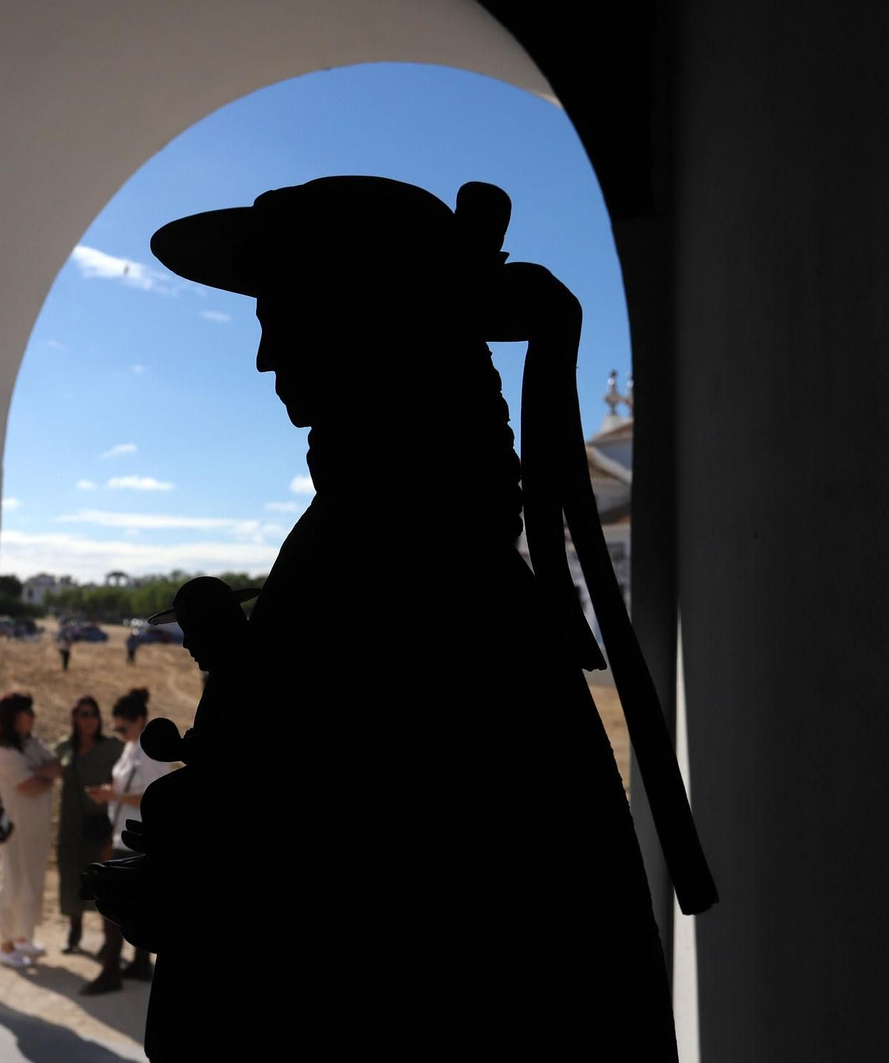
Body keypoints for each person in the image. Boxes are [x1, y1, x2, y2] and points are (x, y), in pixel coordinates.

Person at [86, 176, 685, 1060]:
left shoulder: (399, 562)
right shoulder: (400, 545)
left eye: (285, 308)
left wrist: (215, 868)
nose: (263, 355)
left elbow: (393, 909)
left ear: (370, 322)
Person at [78, 687, 172, 994]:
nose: (119, 731)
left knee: (115, 904)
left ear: (139, 720)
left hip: (136, 836)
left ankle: (112, 970)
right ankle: (138, 964)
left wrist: (114, 795)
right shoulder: (132, 748)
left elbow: (156, 795)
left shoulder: (147, 753)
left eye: (123, 725)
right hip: (123, 831)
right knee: (132, 900)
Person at [0, 692, 60, 970]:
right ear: (17, 717)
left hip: (35, 829)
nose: (34, 717)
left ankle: (22, 938)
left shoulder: (30, 744)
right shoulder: (0, 751)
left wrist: (40, 774)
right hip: (14, 829)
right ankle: (4, 945)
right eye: (29, 712)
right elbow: (28, 786)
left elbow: (57, 767)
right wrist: (43, 776)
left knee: (31, 883)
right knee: (11, 884)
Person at [53, 696, 124, 955]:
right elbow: (47, 764)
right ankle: (74, 932)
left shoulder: (111, 748)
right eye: (83, 714)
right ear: (74, 717)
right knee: (72, 878)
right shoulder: (65, 747)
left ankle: (110, 942)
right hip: (70, 826)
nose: (89, 719)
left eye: (93, 714)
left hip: (100, 826)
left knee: (102, 883)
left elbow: (125, 777)